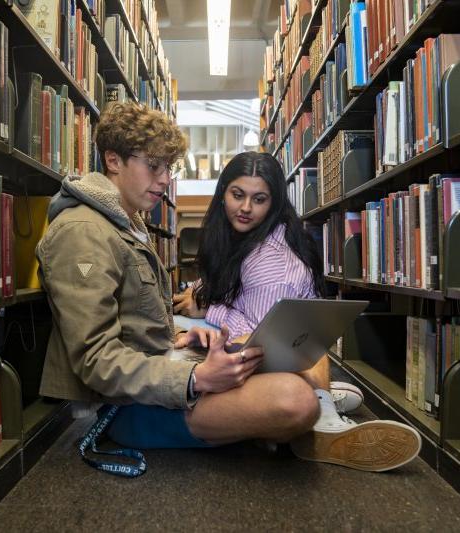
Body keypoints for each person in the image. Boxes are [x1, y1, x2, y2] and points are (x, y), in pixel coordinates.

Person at [36, 102, 419, 474]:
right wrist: (197, 378)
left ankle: (297, 416)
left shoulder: (125, 223)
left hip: (161, 378)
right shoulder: (85, 233)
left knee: (301, 345)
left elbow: (134, 324)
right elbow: (94, 361)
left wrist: (183, 338)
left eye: (168, 167)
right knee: (294, 399)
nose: (166, 179)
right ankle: (307, 422)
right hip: (126, 407)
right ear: (113, 160)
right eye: (153, 166)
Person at [173, 151, 422, 470]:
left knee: (223, 368)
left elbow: (259, 342)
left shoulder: (272, 265)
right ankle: (323, 395)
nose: (246, 208)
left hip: (276, 358)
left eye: (259, 199)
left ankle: (321, 417)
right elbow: (235, 301)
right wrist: (206, 300)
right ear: (223, 193)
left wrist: (208, 309)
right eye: (238, 195)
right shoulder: (244, 240)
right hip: (288, 353)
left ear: (273, 203)